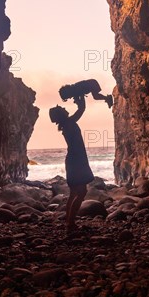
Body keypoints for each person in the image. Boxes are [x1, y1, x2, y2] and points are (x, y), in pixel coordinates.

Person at [49, 95, 94, 234]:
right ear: (61, 114)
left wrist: (79, 98)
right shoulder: (69, 122)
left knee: (74, 192)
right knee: (81, 192)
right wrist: (80, 97)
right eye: (61, 108)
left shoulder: (67, 123)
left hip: (74, 160)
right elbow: (81, 109)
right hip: (77, 160)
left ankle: (69, 222)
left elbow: (81, 109)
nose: (63, 107)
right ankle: (70, 224)